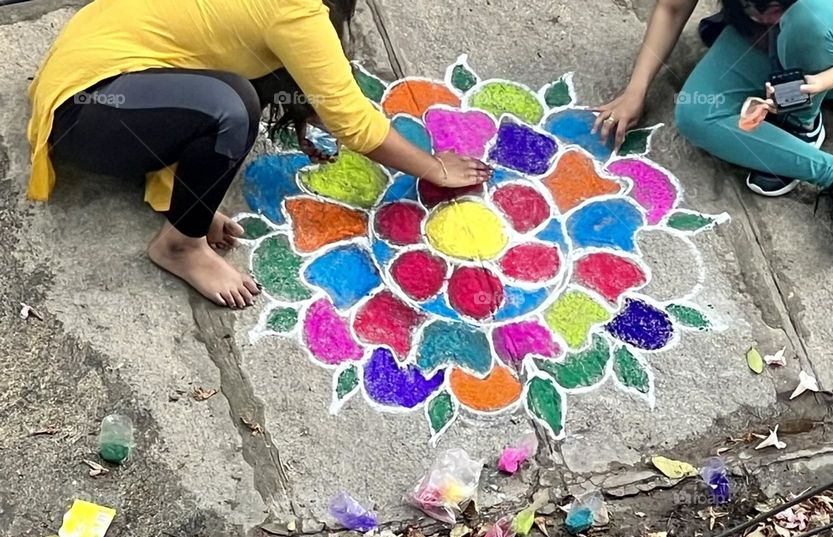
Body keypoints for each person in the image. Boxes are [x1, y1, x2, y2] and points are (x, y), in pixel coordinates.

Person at [27, 0, 491, 308]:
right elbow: (352, 121)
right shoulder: (294, 9)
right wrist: (433, 167)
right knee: (232, 106)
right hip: (85, 110)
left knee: (237, 89)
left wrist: (193, 195)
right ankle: (179, 246)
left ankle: (185, 208)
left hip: (99, 75)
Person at [594, 0, 833, 255]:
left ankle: (801, 122)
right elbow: (672, 7)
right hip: (762, 44)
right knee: (695, 113)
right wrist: (635, 92)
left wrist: (821, 82)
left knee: (807, 19)